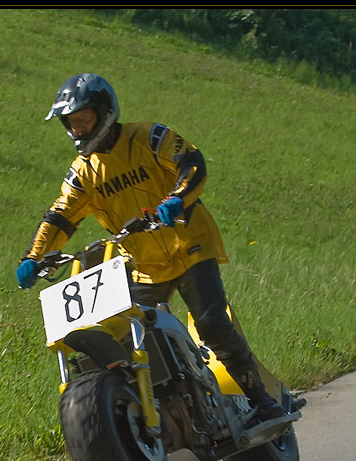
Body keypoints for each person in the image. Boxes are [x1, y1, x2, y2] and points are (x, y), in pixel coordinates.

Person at [16, 73, 286, 421]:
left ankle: (262, 401)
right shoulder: (82, 172)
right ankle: (165, 406)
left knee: (211, 325)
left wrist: (178, 199)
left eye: (84, 118)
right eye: (72, 123)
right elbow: (60, 216)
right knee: (127, 336)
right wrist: (33, 257)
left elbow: (192, 163)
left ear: (104, 112)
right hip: (144, 264)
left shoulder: (149, 136)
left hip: (189, 245)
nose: (79, 128)